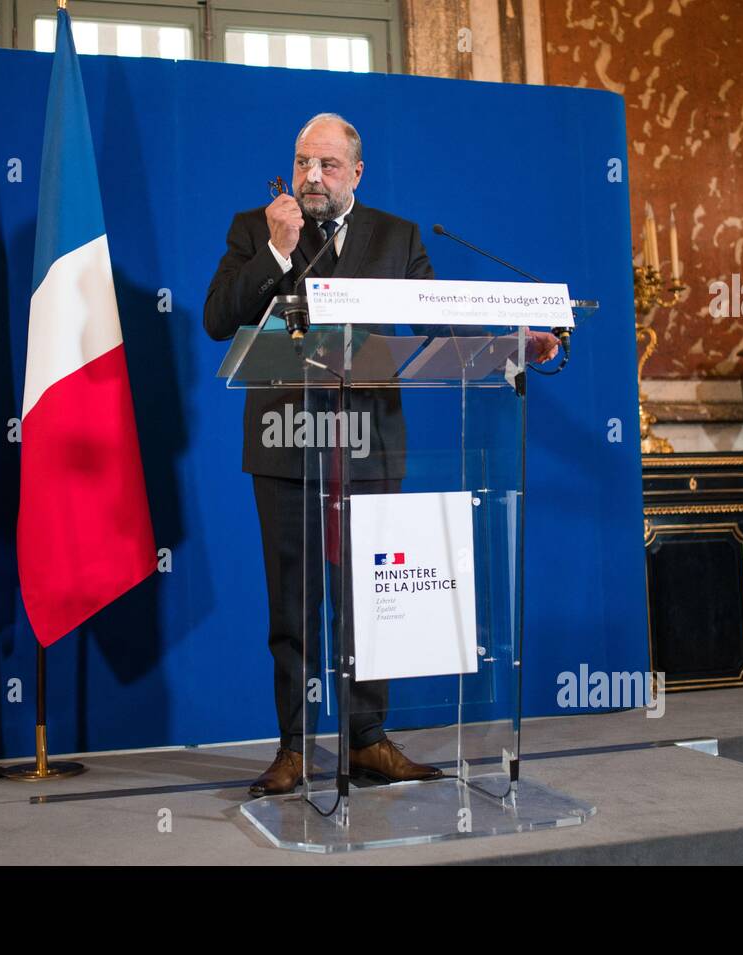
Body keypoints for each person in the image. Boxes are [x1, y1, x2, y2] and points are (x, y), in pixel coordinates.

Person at [203, 113, 559, 797]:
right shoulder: (257, 228)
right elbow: (219, 318)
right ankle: (295, 746)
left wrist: (510, 341)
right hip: (287, 448)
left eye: (328, 165)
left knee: (371, 601)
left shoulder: (397, 237)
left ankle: (366, 739)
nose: (312, 176)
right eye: (304, 161)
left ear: (356, 173)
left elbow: (438, 330)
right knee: (293, 606)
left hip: (371, 447)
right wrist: (275, 256)